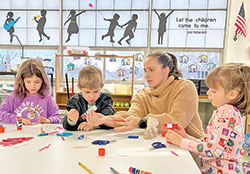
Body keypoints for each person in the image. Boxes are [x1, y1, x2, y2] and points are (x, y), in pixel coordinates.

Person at [86, 52, 204, 165]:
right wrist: (107, 119)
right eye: (145, 70)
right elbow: (132, 115)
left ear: (165, 71)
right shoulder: (143, 94)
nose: (146, 75)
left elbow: (176, 122)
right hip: (157, 152)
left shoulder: (185, 87)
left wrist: (142, 121)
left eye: (151, 70)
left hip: (190, 153)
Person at [166, 63, 250, 174]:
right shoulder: (230, 112)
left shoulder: (226, 112)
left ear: (232, 94)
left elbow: (213, 150)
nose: (208, 93)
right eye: (209, 89)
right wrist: (186, 137)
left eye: (214, 91)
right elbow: (211, 144)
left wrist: (182, 141)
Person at [0, 59, 61, 125]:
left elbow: (57, 117)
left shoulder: (47, 98)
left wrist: (48, 120)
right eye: (28, 82)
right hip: (18, 134)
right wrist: (18, 120)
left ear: (43, 81)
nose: (32, 86)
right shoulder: (13, 97)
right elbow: (1, 113)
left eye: (37, 82)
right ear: (22, 81)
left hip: (40, 133)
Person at [62, 65, 115, 131]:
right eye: (87, 92)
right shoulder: (74, 102)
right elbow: (67, 126)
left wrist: (94, 125)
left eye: (96, 91)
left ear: (101, 86)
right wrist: (71, 120)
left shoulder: (105, 100)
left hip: (100, 137)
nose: (92, 96)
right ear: (79, 88)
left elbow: (110, 119)